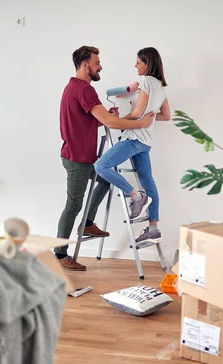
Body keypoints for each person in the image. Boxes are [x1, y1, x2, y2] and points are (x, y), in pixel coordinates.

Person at [55, 45, 155, 272]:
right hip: (77, 159)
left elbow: (94, 120)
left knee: (106, 178)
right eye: (97, 63)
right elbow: (110, 124)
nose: (101, 66)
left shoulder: (76, 88)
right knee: (73, 205)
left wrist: (105, 117)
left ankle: (88, 224)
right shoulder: (84, 90)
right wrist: (140, 123)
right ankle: (60, 254)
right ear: (85, 65)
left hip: (83, 156)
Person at [94, 47, 170, 245]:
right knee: (148, 180)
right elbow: (166, 116)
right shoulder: (161, 87)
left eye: (139, 62)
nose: (135, 65)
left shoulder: (146, 81)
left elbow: (136, 113)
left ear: (148, 63)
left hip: (134, 137)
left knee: (100, 166)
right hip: (146, 141)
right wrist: (149, 120)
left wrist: (115, 119)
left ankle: (136, 196)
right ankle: (153, 228)